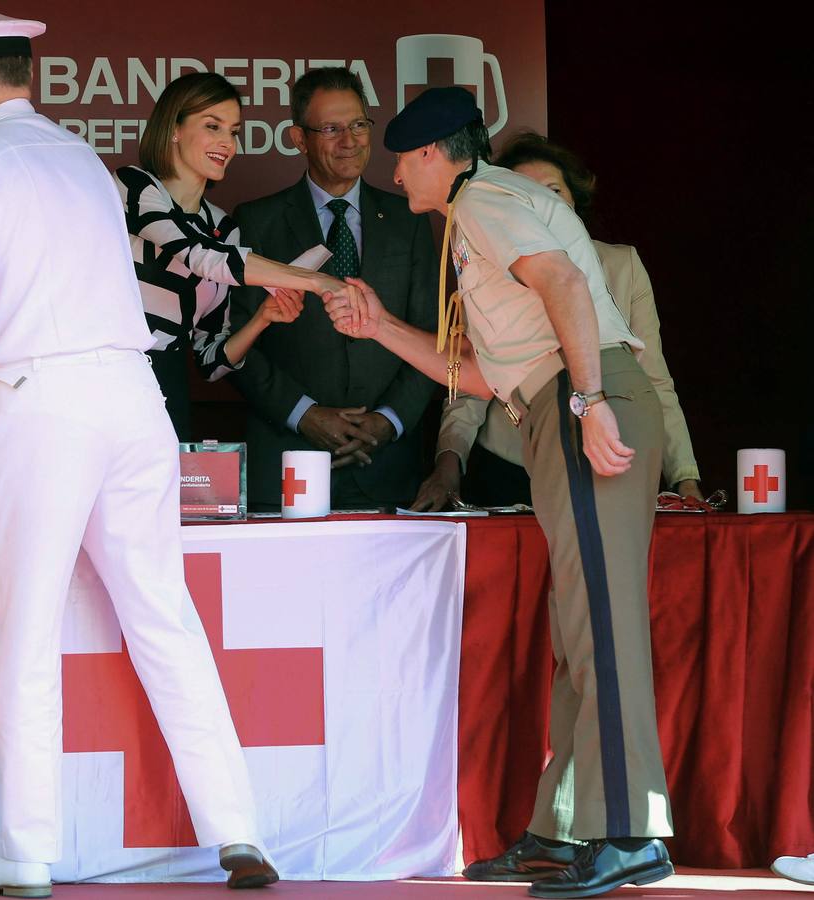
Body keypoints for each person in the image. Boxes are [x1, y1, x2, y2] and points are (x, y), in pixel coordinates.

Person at [0, 13, 280, 896]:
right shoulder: (81, 160)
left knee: (27, 633)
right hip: (133, 399)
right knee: (165, 619)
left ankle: (25, 850)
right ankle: (238, 828)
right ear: (22, 76)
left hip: (43, 403)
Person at [323, 87, 675, 897]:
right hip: (550, 399)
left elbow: (562, 283)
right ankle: (564, 827)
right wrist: (379, 325)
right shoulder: (478, 210)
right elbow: (481, 375)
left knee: (604, 621)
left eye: (398, 162)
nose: (397, 178)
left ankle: (626, 830)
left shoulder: (481, 196)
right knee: (580, 622)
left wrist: (586, 402)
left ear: (425, 157)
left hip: (580, 397)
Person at [413, 131, 702, 511]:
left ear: (573, 201)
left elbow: (653, 378)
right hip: (510, 460)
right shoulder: (485, 268)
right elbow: (472, 380)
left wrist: (685, 476)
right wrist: (448, 462)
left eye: (552, 192)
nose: (536, 204)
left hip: (601, 453)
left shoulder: (622, 265)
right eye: (522, 193)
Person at [229, 66, 437, 510]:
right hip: (287, 456)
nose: (351, 140)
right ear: (298, 139)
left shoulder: (410, 220)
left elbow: (433, 334)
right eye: (331, 128)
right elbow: (236, 343)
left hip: (386, 462)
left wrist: (388, 420)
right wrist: (304, 413)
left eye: (359, 124)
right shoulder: (256, 221)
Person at [118, 72, 344, 440]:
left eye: (233, 131)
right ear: (173, 128)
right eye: (213, 126)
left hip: (167, 391)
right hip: (110, 380)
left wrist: (262, 318)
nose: (227, 143)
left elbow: (210, 360)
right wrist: (316, 281)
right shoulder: (134, 185)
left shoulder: (223, 227)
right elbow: (197, 253)